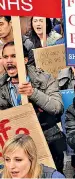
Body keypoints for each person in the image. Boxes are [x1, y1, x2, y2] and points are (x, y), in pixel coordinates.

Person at [0, 42, 65, 173]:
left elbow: (57, 107)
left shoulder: (44, 78)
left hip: (48, 142)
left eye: (14, 56)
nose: (9, 61)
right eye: (5, 57)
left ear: (25, 60)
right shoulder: (1, 86)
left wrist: (33, 93)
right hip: (16, 148)